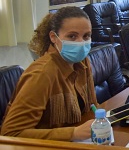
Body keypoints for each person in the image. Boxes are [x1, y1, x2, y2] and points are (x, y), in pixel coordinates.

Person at [1, 7, 98, 141]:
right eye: (72, 36)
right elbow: (11, 133)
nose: (81, 43)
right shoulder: (42, 73)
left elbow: (92, 106)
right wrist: (73, 133)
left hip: (76, 146)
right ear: (54, 37)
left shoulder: (83, 61)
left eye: (86, 36)